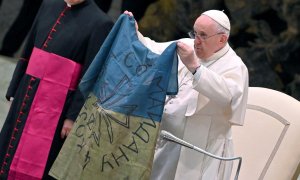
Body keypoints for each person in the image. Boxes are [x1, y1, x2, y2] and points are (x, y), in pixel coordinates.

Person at [125, 9, 249, 180]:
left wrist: (195, 68)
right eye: (195, 33)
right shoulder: (188, 45)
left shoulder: (235, 66)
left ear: (222, 39)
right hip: (167, 143)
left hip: (203, 151)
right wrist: (134, 31)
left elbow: (228, 96)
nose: (196, 41)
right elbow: (152, 49)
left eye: (203, 35)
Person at [0, 0, 114, 179]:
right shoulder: (47, 4)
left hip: (57, 105)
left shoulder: (101, 23)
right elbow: (29, 49)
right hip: (27, 91)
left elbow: (90, 76)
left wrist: (72, 116)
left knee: (39, 158)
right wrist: (15, 86)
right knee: (9, 146)